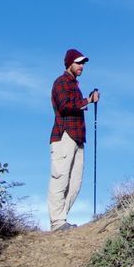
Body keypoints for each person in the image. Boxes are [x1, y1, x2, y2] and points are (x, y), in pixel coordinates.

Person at [47, 48, 99, 231]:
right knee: (60, 178)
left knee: (75, 182)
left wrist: (86, 100)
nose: (81, 66)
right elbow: (65, 105)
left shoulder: (75, 85)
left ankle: (61, 219)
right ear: (69, 63)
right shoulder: (60, 82)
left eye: (83, 63)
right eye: (78, 62)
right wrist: (88, 100)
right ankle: (57, 222)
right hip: (63, 136)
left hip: (77, 138)